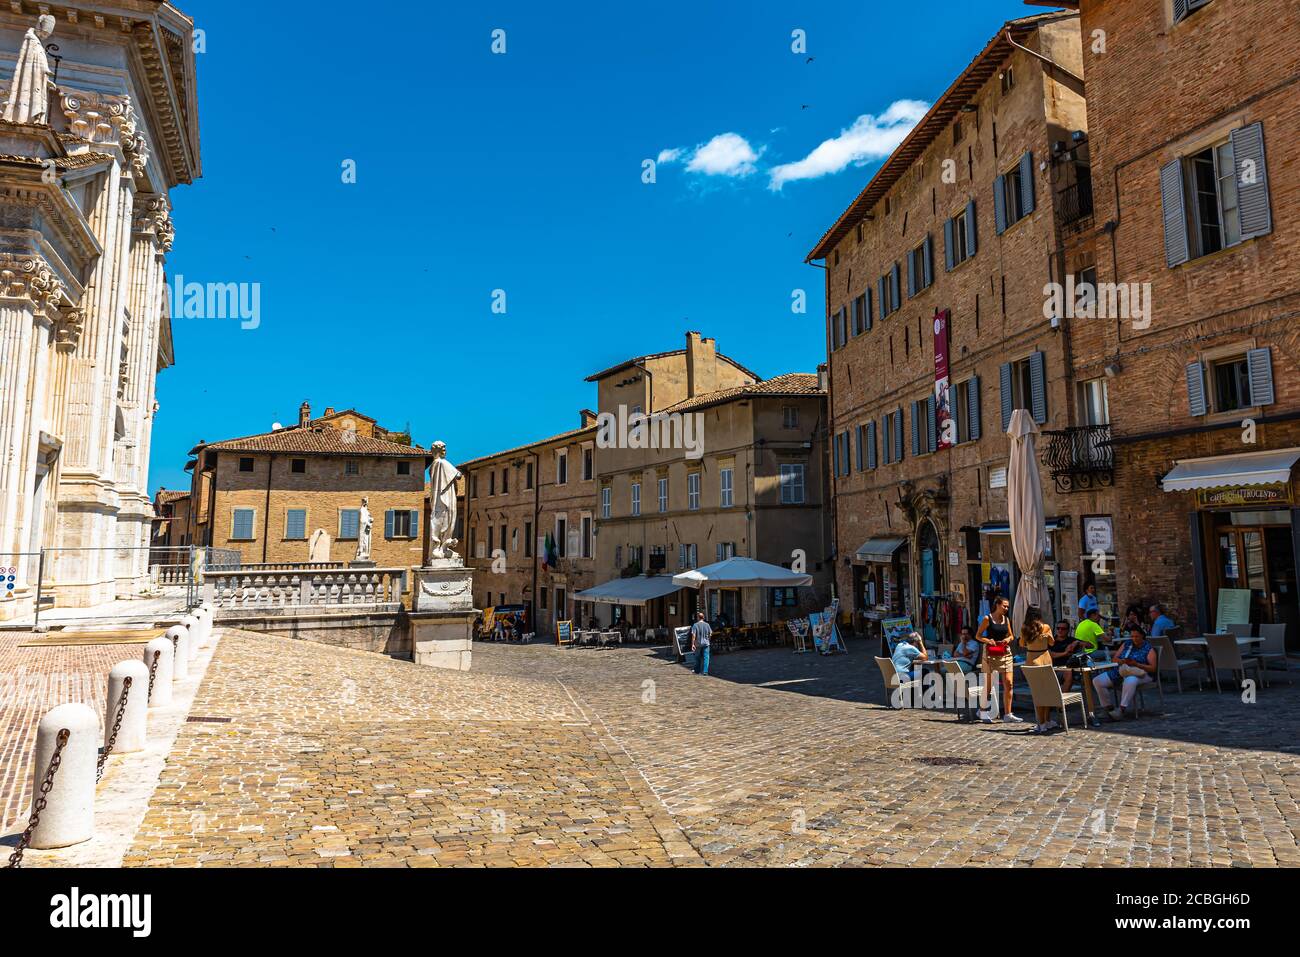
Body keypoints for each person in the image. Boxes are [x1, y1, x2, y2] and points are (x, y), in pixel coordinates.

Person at [1093, 625, 1157, 719]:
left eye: (1136, 636)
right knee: (1097, 680)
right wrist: (1120, 661)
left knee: (1130, 680)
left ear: (1142, 636)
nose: (1134, 639)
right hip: (1122, 670)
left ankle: (1121, 710)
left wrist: (1136, 664)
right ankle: (1109, 709)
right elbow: (1115, 658)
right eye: (1132, 636)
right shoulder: (1127, 644)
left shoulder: (1148, 648)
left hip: (1141, 673)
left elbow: (1153, 668)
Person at [975, 596, 1022, 723]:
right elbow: (978, 636)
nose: (1006, 608)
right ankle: (982, 711)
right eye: (1004, 606)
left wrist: (1008, 639)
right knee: (989, 684)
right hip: (990, 652)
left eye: (1007, 606)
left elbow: (1011, 635)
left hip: (1004, 651)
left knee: (1009, 683)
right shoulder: (987, 619)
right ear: (997, 605)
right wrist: (988, 640)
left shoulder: (1006, 620)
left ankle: (1008, 714)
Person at [1019, 607, 1058, 733]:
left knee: (1037, 693)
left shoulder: (1025, 628)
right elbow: (1052, 643)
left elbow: (1021, 644)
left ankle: (1041, 722)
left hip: (1031, 659)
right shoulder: (1045, 626)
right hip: (1045, 658)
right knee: (1047, 691)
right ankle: (1045, 721)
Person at [1049, 620, 1083, 691]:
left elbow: (1090, 645)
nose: (1060, 630)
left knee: (1070, 671)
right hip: (1054, 670)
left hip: (1070, 668)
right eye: (1058, 628)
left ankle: (1062, 698)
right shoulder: (1051, 641)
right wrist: (1065, 653)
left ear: (1068, 630)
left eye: (1063, 629)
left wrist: (1077, 642)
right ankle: (1062, 699)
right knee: (1068, 672)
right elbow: (1050, 655)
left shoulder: (1071, 640)